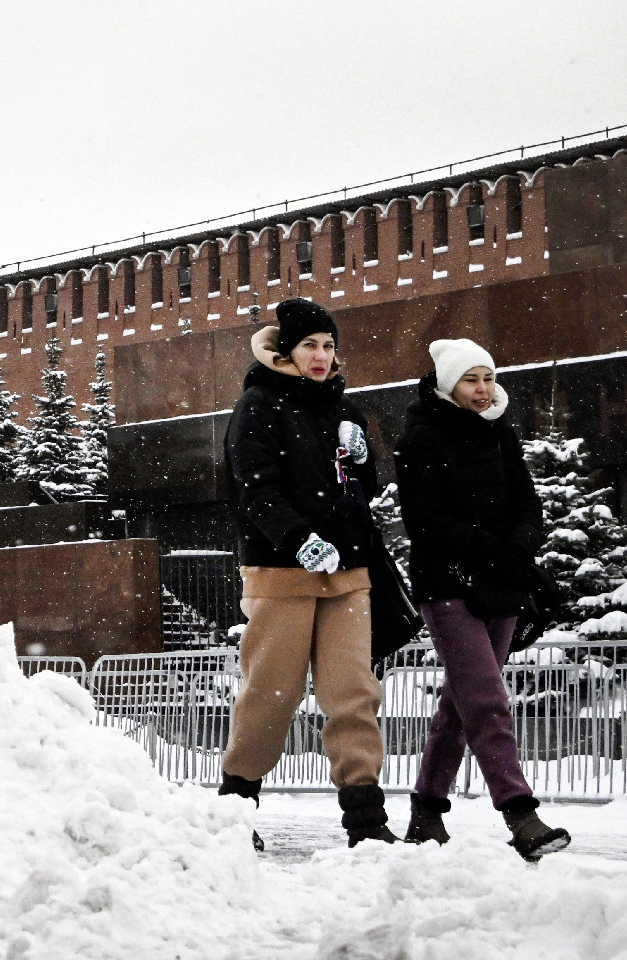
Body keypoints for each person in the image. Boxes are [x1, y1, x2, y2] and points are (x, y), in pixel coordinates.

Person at [216, 298, 394, 846]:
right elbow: (254, 488)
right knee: (272, 694)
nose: (321, 356)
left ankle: (366, 823)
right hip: (281, 572)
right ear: (286, 350)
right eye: (310, 345)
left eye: (328, 346)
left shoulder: (345, 411)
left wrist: (363, 462)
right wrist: (299, 540)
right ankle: (234, 817)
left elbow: (369, 490)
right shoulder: (259, 404)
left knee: (354, 694)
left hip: (349, 572)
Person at [393, 338, 571, 860]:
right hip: (447, 584)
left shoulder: (502, 435)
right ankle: (521, 814)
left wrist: (518, 548)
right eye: (471, 379)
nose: (482, 389)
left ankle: (426, 813)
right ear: (448, 383)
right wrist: (494, 549)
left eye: (488, 378)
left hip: (502, 585)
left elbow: (527, 505)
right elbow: (425, 521)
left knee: (460, 703)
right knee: (487, 699)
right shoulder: (420, 439)